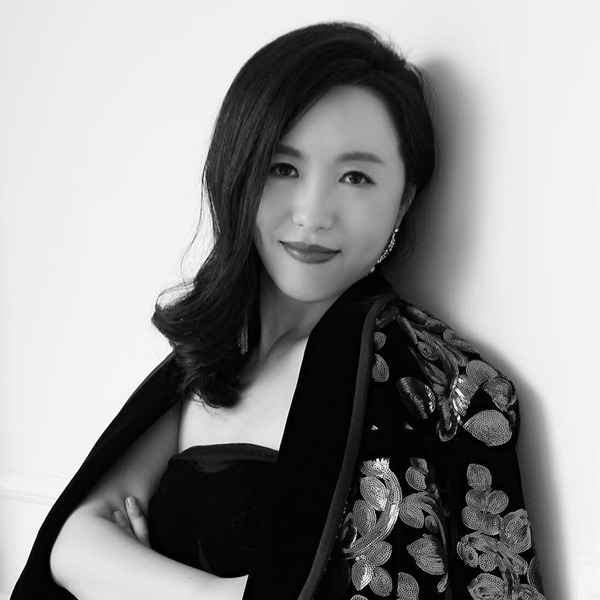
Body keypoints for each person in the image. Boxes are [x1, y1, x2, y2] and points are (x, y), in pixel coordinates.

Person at [11, 21, 546, 600]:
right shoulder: (214, 355)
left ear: (404, 199)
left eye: (356, 177)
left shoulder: (447, 385)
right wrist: (222, 596)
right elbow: (73, 544)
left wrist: (136, 576)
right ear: (238, 175)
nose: (313, 214)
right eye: (283, 168)